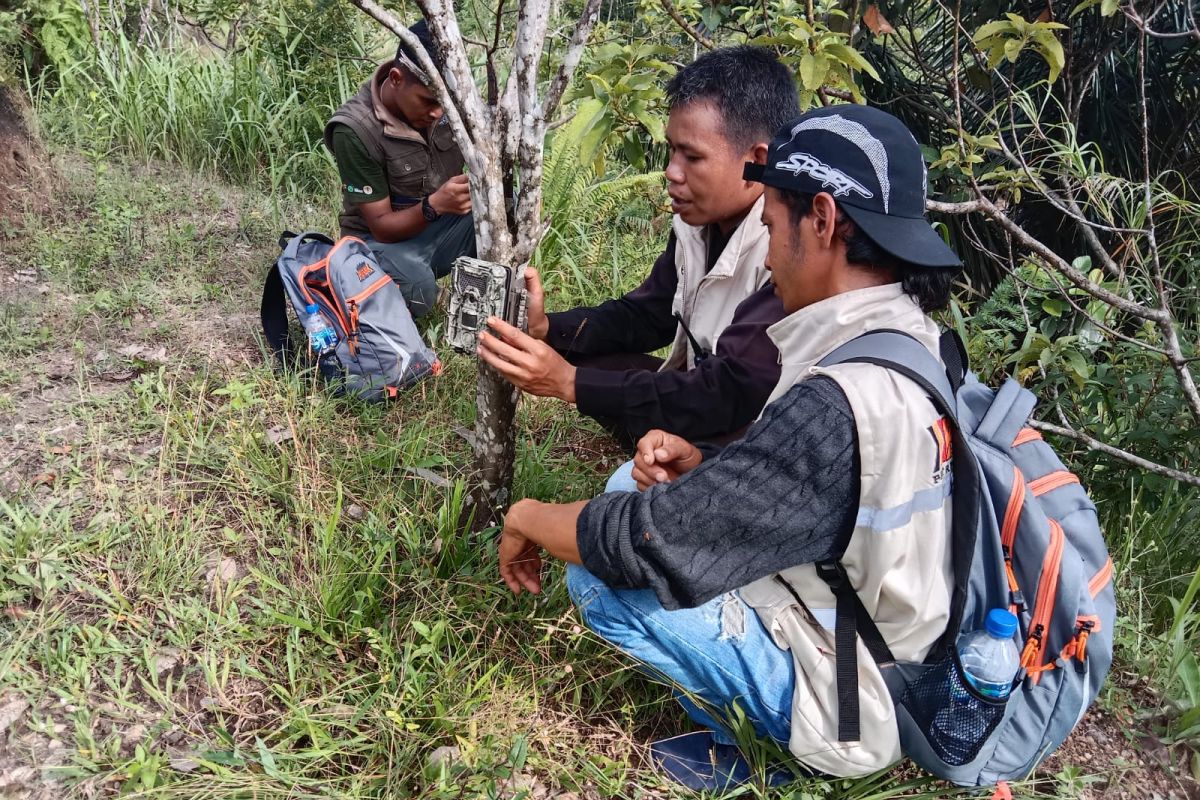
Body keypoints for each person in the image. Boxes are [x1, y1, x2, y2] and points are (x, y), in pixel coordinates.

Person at [494, 104, 965, 789]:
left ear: (824, 221)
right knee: (636, 478)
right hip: (877, 627)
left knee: (600, 574)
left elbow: (644, 541)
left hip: (852, 695)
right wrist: (708, 464)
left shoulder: (842, 398)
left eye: (774, 227)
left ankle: (773, 756)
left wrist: (526, 515)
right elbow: (832, 491)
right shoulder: (908, 340)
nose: (770, 255)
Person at [477, 46, 798, 448]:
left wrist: (570, 383)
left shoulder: (787, 249)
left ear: (758, 162)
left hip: (759, 439)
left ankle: (682, 477)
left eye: (693, 157)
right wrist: (547, 329)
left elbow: (729, 392)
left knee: (592, 386)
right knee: (590, 360)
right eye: (672, 149)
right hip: (711, 396)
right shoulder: (694, 226)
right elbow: (647, 316)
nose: (671, 172)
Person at [323, 20, 475, 319]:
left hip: (438, 227)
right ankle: (395, 289)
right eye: (429, 102)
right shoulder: (355, 129)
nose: (438, 113)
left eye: (444, 103)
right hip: (377, 244)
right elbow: (380, 226)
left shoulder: (449, 104)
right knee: (417, 290)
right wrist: (435, 205)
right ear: (395, 78)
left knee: (509, 213)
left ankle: (477, 304)